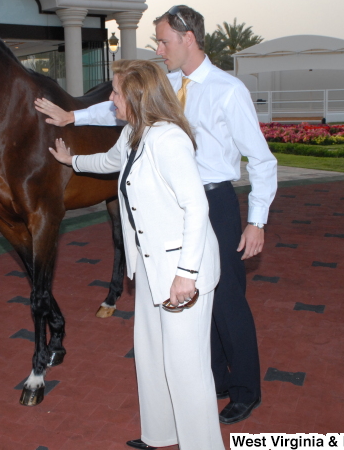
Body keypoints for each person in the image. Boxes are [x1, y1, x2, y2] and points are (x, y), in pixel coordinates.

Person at [35, 5, 278, 426]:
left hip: (213, 202)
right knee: (198, 305)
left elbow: (261, 160)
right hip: (170, 207)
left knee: (227, 301)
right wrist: (74, 116)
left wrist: (256, 221)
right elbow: (122, 108)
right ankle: (216, 380)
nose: (159, 49)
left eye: (164, 41)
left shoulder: (227, 90)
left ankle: (245, 390)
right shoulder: (165, 84)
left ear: (188, 38)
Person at [49, 60, 223, 450]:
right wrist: (70, 162)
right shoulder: (133, 132)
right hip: (148, 266)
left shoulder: (169, 139)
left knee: (187, 368)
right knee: (151, 356)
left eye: (115, 93)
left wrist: (186, 274)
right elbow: (110, 163)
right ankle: (161, 434)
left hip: (181, 270)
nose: (110, 100)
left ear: (138, 95)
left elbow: (197, 208)